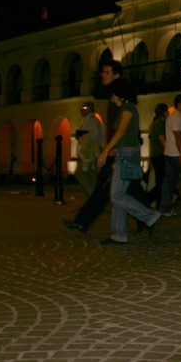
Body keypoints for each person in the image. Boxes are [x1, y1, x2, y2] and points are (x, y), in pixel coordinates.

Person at [64, 60, 150, 233]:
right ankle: (145, 221)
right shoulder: (113, 99)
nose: (102, 75)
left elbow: (123, 129)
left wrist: (108, 151)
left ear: (116, 75)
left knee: (106, 188)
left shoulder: (122, 102)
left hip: (118, 151)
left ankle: (83, 221)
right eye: (102, 72)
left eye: (106, 72)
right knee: (130, 188)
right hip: (116, 150)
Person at [96, 78, 160, 244]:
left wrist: (105, 150)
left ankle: (150, 216)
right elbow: (129, 135)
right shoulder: (126, 108)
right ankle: (118, 234)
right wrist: (114, 151)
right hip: (125, 153)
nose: (112, 99)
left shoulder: (129, 108)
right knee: (119, 195)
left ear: (120, 95)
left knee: (116, 195)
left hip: (128, 155)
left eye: (113, 96)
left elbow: (122, 132)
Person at [75, 101, 103, 197]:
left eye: (84, 108)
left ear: (90, 109)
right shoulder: (87, 119)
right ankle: (96, 195)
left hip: (89, 151)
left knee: (81, 174)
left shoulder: (91, 120)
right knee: (90, 174)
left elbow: (94, 135)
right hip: (90, 151)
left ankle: (93, 196)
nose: (82, 110)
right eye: (81, 108)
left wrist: (82, 135)